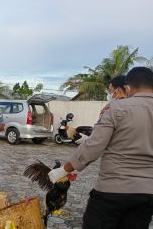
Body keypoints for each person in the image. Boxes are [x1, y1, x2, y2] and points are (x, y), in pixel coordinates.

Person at [48, 67, 153, 229]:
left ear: (128, 88)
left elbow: (93, 147)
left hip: (112, 190)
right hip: (147, 194)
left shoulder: (116, 109)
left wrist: (64, 170)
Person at [76, 75, 127, 144]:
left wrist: (89, 141)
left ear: (118, 90)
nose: (109, 94)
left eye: (110, 90)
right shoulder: (135, 106)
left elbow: (102, 135)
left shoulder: (112, 108)